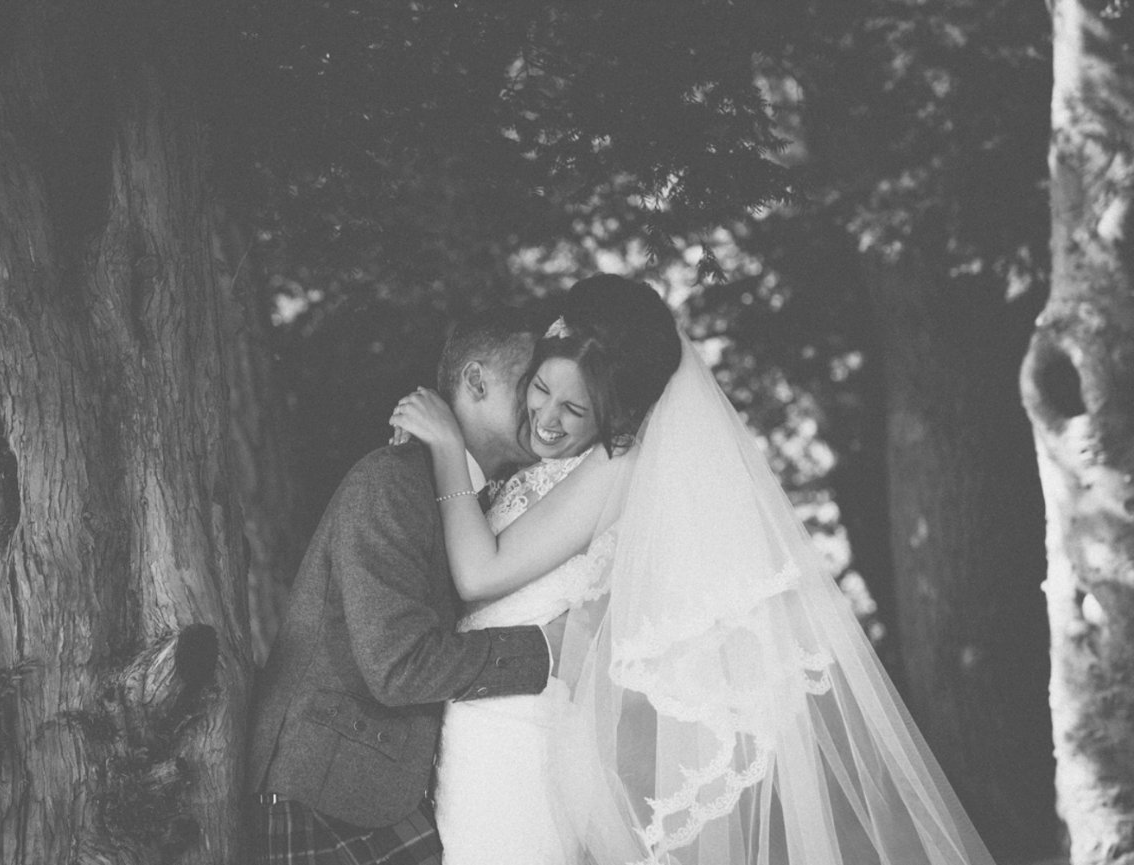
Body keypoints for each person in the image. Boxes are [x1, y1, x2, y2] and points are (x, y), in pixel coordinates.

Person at [390, 274, 997, 865]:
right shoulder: (552, 460)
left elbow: (479, 575)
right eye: (541, 388)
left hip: (516, 733)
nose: (547, 417)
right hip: (476, 718)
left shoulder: (615, 465)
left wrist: (445, 448)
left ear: (614, 408)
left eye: (575, 407)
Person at [245, 306, 564, 865]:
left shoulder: (480, 504)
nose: (542, 406)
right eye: (530, 383)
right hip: (326, 791)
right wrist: (547, 650)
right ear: (475, 381)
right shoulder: (391, 480)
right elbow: (399, 666)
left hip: (377, 792)